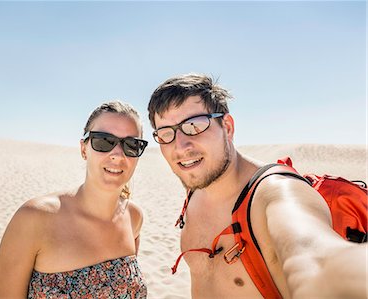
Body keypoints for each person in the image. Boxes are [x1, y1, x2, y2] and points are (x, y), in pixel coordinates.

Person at [147, 74, 367, 299]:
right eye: (166, 134)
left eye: (194, 125)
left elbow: (314, 258)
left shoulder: (275, 192)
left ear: (227, 127)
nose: (181, 146)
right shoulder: (197, 185)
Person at [0, 101, 148, 298]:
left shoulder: (134, 217)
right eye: (103, 141)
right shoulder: (34, 218)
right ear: (84, 149)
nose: (117, 154)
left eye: (131, 145)